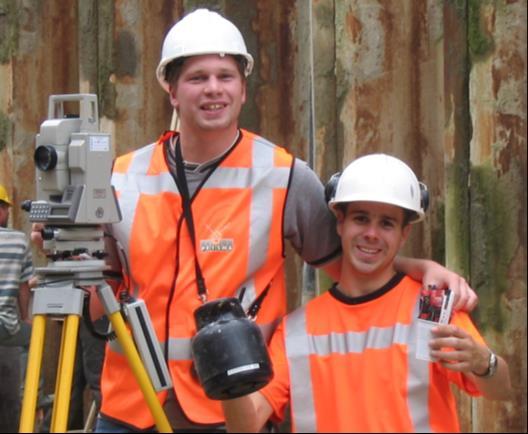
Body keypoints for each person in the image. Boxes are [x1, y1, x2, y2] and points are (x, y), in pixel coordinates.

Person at [27, 9, 475, 432]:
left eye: (225, 77)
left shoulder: (284, 176)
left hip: (230, 402)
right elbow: (101, 297)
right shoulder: (123, 176)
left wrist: (420, 270)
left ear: (243, 87)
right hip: (131, 405)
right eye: (197, 78)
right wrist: (67, 256)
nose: (213, 89)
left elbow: (355, 267)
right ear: (171, 89)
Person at [220, 154, 512, 433]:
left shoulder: (430, 308)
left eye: (387, 223)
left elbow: (500, 389)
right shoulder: (296, 330)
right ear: (340, 222)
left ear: (404, 234)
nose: (372, 233)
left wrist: (484, 362)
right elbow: (245, 424)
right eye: (361, 218)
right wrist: (226, 370)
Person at [0, 184, 34, 431]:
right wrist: (27, 318)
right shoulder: (18, 240)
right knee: (10, 399)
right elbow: (24, 286)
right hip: (7, 329)